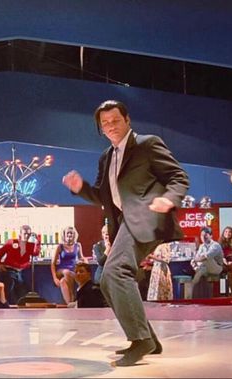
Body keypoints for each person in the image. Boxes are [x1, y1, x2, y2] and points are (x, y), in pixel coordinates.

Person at [62, 100, 189, 366]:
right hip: (124, 224)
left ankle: (141, 340)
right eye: (105, 123)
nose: (110, 126)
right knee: (107, 280)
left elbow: (179, 177)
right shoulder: (107, 157)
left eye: (115, 120)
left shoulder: (147, 144)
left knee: (116, 271)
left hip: (149, 217)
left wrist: (169, 199)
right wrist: (80, 188)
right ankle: (147, 339)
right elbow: (102, 196)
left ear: (127, 120)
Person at [0, 224, 41, 305]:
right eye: (25, 233)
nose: (27, 235)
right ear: (20, 233)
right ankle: (8, 306)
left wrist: (38, 242)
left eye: (29, 234)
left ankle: (20, 307)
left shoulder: (31, 245)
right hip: (9, 270)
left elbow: (35, 253)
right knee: (10, 287)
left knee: (23, 290)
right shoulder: (12, 242)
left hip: (21, 272)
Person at [50, 226, 83, 304]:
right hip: (61, 270)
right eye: (67, 233)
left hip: (73, 270)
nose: (69, 235)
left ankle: (69, 304)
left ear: (74, 235)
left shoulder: (78, 245)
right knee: (66, 272)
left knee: (63, 282)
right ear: (64, 235)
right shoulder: (60, 246)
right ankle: (73, 296)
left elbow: (81, 257)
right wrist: (55, 278)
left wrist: (85, 262)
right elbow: (53, 263)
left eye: (71, 233)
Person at [190, 227, 224, 298]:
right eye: (202, 235)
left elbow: (206, 257)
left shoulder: (215, 245)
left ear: (211, 236)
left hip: (217, 268)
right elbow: (196, 257)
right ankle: (192, 294)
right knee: (199, 268)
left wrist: (196, 260)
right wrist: (194, 262)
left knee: (206, 259)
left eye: (206, 235)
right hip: (205, 267)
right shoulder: (202, 246)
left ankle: (198, 271)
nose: (203, 237)